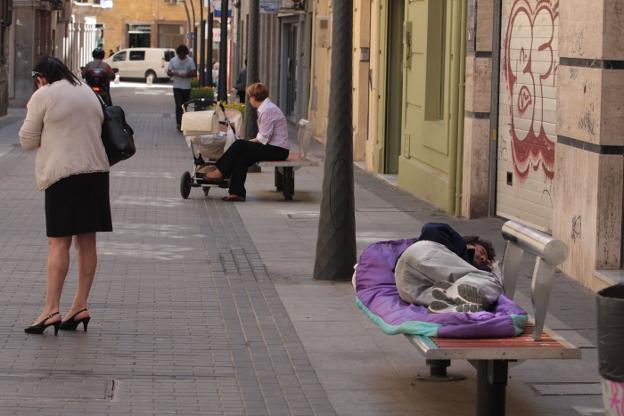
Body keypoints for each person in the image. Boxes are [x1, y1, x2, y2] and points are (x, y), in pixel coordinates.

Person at [19, 56, 112, 335]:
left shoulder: (44, 95)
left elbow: (26, 140)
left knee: (58, 244)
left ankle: (51, 309)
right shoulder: (86, 91)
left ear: (41, 76)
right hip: (96, 173)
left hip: (63, 175)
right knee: (86, 242)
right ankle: (80, 306)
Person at [204, 82, 290, 201]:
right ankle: (236, 193)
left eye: (249, 96)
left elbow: (264, 138)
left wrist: (248, 143)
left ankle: (220, 171)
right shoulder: (265, 108)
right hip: (272, 147)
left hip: (278, 150)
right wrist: (249, 143)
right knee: (241, 156)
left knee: (239, 145)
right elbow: (263, 137)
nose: (249, 99)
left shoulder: (268, 110)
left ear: (254, 98)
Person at [394, 223, 504, 314]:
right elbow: (431, 228)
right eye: (482, 252)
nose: (483, 258)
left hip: (408, 287)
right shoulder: (458, 245)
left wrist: (482, 267)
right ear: (472, 244)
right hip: (424, 253)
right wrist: (491, 268)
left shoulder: (463, 268)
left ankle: (451, 308)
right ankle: (458, 298)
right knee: (491, 281)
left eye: (486, 259)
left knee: (437, 294)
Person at [167, 44, 197, 131]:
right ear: (178, 54)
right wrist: (175, 73)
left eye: (183, 55)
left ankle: (185, 123)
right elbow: (168, 72)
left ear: (186, 54)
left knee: (185, 105)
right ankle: (179, 124)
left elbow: (194, 73)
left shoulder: (190, 61)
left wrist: (187, 74)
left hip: (187, 87)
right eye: (180, 54)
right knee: (178, 105)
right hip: (177, 86)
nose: (182, 56)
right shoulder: (173, 60)